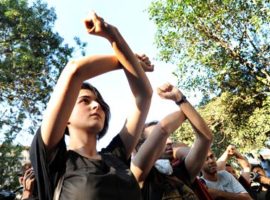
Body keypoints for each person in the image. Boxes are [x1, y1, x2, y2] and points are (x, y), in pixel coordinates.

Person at [30, 12, 153, 200]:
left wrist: (116, 35)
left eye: (100, 102)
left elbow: (144, 96)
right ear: (65, 117)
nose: (97, 106)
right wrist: (123, 57)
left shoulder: (116, 157)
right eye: (84, 101)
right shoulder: (54, 160)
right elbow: (75, 70)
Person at [132, 83, 213, 199]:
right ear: (140, 148)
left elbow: (206, 138)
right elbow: (163, 129)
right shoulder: (138, 175)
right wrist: (185, 110)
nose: (170, 141)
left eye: (169, 137)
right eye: (160, 140)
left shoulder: (181, 172)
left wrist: (180, 98)